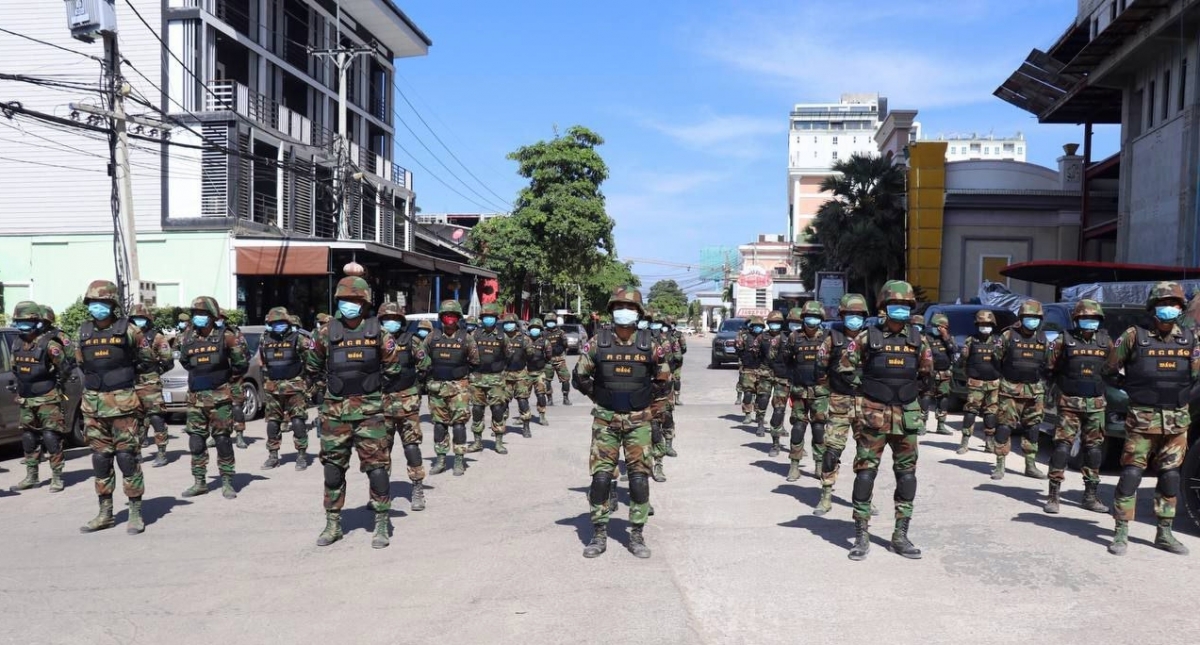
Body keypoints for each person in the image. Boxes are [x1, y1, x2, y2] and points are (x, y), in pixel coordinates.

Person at [573, 286, 671, 559]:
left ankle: (637, 534)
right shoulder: (597, 342)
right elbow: (579, 376)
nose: (623, 312)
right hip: (606, 419)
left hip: (639, 420)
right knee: (602, 477)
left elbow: (664, 379)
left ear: (638, 313)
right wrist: (600, 396)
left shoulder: (650, 343)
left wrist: (649, 406)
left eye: (628, 308)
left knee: (639, 478)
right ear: (611, 312)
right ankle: (599, 533)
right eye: (618, 308)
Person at [837, 280, 932, 561]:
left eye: (905, 306)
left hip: (907, 415)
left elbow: (927, 374)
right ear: (883, 308)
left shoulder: (918, 340)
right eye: (894, 305)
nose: (900, 310)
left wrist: (915, 397)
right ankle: (861, 535)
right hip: (873, 415)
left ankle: (900, 535)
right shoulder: (868, 337)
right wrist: (866, 388)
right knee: (865, 475)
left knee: (907, 477)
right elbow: (845, 367)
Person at [1103, 281, 1197, 556]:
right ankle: (1121, 531)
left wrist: (1184, 397)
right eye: (1163, 304)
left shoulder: (1191, 339)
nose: (1169, 309)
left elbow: (1197, 377)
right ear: (1152, 308)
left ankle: (1164, 533)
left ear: (1181, 309)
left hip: (1177, 420)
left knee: (1170, 477)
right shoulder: (1134, 336)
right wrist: (1131, 387)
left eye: (1175, 304)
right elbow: (1109, 370)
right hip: (1142, 419)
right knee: (1132, 474)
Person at [305, 277, 401, 548]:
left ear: (365, 303)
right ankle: (333, 523)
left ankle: (382, 522)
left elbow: (393, 368)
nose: (350, 305)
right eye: (345, 300)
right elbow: (312, 366)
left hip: (370, 412)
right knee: (333, 471)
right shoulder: (325, 332)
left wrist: (373, 387)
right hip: (335, 413)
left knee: (377, 469)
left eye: (356, 301)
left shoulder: (379, 333)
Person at [75, 280, 158, 534]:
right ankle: (105, 513)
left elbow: (148, 365)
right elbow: (80, 364)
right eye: (93, 303)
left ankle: (134, 511)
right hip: (94, 407)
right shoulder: (83, 332)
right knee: (101, 459)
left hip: (123, 406)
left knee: (126, 458)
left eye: (102, 303)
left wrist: (149, 404)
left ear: (112, 305)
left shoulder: (130, 331)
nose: (97, 308)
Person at [1043, 299, 1110, 514]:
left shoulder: (1105, 341)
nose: (1089, 322)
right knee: (1062, 447)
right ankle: (1053, 495)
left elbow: (1114, 367)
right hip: (1070, 402)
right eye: (1085, 318)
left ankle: (1090, 495)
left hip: (1096, 404)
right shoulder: (1064, 339)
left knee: (1093, 450)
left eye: (1093, 319)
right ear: (1077, 319)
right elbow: (1049, 367)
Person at [178, 297, 249, 499]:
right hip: (195, 398)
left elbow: (240, 364)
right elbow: (185, 361)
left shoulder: (226, 337)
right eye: (196, 314)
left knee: (222, 440)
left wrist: (222, 379)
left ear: (212, 316)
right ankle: (199, 482)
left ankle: (227, 481)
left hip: (219, 398)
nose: (198, 318)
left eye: (202, 314)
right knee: (196, 441)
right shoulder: (187, 338)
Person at [8, 301, 71, 493]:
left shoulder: (50, 344)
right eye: (19, 321)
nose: (22, 325)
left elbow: (65, 369)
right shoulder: (17, 343)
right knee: (28, 438)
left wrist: (55, 386)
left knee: (51, 437)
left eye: (27, 321)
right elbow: (15, 368)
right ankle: (32, 476)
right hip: (26, 398)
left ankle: (57, 477)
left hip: (47, 398)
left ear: (37, 322)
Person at [814, 294, 867, 516]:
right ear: (842, 315)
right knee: (832, 452)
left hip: (867, 404)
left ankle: (864, 498)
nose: (854, 318)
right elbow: (820, 370)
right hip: (839, 402)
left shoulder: (872, 339)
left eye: (858, 315)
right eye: (849, 315)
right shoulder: (832, 339)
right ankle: (826, 494)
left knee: (867, 456)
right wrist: (826, 398)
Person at [377, 303, 431, 512]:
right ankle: (381, 494)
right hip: (380, 401)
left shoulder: (411, 341)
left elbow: (424, 364)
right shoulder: (372, 341)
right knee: (381, 449)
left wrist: (413, 380)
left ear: (401, 321)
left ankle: (417, 488)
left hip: (407, 400)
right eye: (387, 319)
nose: (391, 322)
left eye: (395, 319)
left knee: (411, 447)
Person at [993, 301, 1050, 480]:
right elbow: (996, 359)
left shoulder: (1043, 339)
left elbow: (1047, 363)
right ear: (1021, 318)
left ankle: (1030, 465)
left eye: (1035, 318)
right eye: (1028, 317)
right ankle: (1000, 464)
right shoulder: (1008, 336)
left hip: (1034, 391)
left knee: (1033, 428)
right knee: (1004, 426)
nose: (1031, 321)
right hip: (1010, 389)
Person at [425, 300, 480, 476]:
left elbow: (475, 361)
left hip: (459, 388)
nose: (450, 319)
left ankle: (458, 460)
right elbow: (421, 358)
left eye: (453, 316)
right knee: (439, 426)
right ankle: (440, 459)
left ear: (458, 318)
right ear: (441, 318)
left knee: (458, 425)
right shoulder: (432, 337)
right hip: (437, 387)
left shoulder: (466, 338)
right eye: (446, 315)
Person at [259, 306, 314, 471]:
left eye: (281, 322)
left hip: (294, 387)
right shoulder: (265, 339)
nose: (278, 325)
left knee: (297, 421)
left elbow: (310, 363)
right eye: (274, 323)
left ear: (288, 322)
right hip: (273, 388)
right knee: (273, 423)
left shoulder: (299, 339)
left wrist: (307, 384)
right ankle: (273, 456)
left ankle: (302, 455)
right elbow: (264, 363)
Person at [785, 302, 831, 481]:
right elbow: (787, 360)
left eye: (816, 318)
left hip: (820, 392)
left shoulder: (827, 338)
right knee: (798, 428)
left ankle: (819, 464)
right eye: (809, 317)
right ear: (803, 318)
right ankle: (794, 465)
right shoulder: (794, 337)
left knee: (819, 429)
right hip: (799, 390)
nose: (812, 321)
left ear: (821, 319)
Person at [127, 304, 174, 465]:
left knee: (156, 417)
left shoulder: (156, 336)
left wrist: (155, 370)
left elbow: (168, 360)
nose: (137, 322)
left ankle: (161, 452)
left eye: (141, 319)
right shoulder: (127, 335)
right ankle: (137, 451)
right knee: (135, 419)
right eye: (134, 319)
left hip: (150, 382)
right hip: (131, 381)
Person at [957, 310, 1002, 455]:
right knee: (971, 411)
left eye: (987, 324)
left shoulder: (998, 342)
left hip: (993, 383)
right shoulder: (971, 341)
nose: (985, 327)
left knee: (991, 414)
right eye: (982, 324)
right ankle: (964, 442)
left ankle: (989, 442)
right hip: (976, 383)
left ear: (992, 325)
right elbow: (962, 362)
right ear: (977, 325)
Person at [468, 303, 511, 454]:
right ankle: (477, 442)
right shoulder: (474, 335)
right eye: (486, 317)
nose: (488, 320)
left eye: (491, 317)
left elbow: (509, 355)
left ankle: (498, 442)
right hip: (478, 378)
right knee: (477, 410)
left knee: (498, 410)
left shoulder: (502, 336)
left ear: (495, 319)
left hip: (496, 379)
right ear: (481, 319)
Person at [758, 310, 792, 451]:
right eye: (772, 322)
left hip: (782, 377)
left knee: (779, 409)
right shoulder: (762, 337)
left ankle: (776, 441)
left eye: (777, 323)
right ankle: (760, 423)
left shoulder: (788, 338)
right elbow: (755, 354)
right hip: (766, 373)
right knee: (763, 399)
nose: (775, 325)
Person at [217, 309, 251, 450]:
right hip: (217, 379)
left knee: (237, 406)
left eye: (220, 318)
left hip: (234, 377)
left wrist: (236, 371)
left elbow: (245, 355)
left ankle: (239, 435)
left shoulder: (235, 334)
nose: (218, 320)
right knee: (215, 408)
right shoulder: (206, 335)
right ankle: (217, 435)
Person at [501, 312, 535, 440]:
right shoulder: (501, 338)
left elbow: (530, 355)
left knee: (522, 401)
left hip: (520, 374)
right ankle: (501, 427)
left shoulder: (524, 339)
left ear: (516, 325)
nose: (509, 325)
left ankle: (526, 427)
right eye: (506, 323)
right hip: (505, 375)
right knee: (503, 403)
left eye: (511, 323)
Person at [923, 313, 958, 436]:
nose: (940, 330)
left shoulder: (948, 338)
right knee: (926, 397)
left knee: (943, 398)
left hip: (944, 373)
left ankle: (941, 425)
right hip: (929, 373)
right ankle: (922, 424)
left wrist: (945, 337)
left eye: (943, 328)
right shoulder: (926, 338)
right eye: (938, 327)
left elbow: (954, 350)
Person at [736, 316, 766, 426]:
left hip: (762, 370)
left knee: (761, 395)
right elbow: (738, 351)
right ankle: (747, 415)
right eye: (755, 326)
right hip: (748, 369)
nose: (757, 328)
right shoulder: (744, 337)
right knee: (748, 393)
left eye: (760, 326)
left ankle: (759, 416)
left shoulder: (766, 337)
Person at [525, 318, 553, 426]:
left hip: (539, 372)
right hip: (526, 372)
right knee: (523, 397)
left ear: (540, 330)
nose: (534, 330)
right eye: (532, 328)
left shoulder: (545, 342)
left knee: (541, 395)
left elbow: (549, 356)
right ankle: (524, 415)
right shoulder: (525, 340)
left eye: (537, 328)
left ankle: (542, 416)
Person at [543, 317, 572, 405]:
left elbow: (566, 344)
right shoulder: (543, 333)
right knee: (546, 381)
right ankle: (549, 399)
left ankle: (566, 398)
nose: (550, 323)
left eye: (551, 321)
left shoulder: (561, 332)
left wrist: (560, 348)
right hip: (548, 360)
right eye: (548, 321)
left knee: (566, 379)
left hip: (560, 359)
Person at [665, 315, 687, 405]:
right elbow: (684, 348)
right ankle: (672, 398)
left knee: (672, 379)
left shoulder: (664, 334)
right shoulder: (678, 334)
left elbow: (684, 347)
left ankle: (673, 399)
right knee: (672, 379)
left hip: (671, 361)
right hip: (671, 360)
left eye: (672, 323)